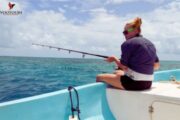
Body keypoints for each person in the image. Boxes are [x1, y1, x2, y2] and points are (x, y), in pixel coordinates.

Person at [96, 17, 160, 90]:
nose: (125, 34)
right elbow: (156, 66)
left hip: (133, 83)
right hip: (148, 83)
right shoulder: (150, 44)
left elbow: (124, 67)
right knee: (117, 72)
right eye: (124, 32)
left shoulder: (127, 44)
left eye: (126, 32)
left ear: (137, 31)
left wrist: (114, 59)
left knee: (99, 77)